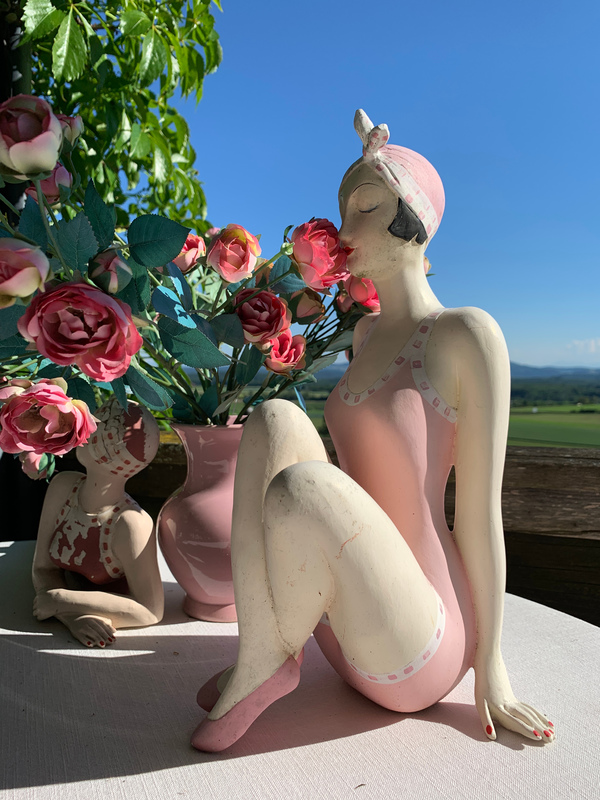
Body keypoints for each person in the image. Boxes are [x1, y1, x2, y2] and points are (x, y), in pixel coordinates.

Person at [191, 110, 554, 752]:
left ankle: (267, 662)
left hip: (417, 641)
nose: (343, 230)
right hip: (344, 622)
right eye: (342, 211)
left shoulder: (466, 334)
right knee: (273, 418)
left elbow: (479, 514)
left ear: (415, 219)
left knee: (304, 485)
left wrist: (492, 667)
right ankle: (262, 653)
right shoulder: (362, 333)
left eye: (365, 207)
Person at [32, 398, 164, 647]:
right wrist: (73, 617)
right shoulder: (63, 487)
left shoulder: (131, 524)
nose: (88, 426)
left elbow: (151, 611)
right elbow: (43, 571)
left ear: (113, 450)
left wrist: (60, 600)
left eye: (100, 423)